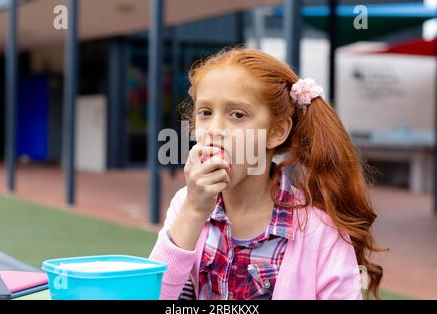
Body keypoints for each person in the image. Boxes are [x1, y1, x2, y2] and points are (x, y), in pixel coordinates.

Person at [150, 47, 384, 300]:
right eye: (205, 113)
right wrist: (193, 212)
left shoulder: (321, 231)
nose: (214, 129)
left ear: (277, 132)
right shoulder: (185, 206)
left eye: (237, 114)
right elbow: (153, 295)